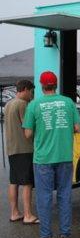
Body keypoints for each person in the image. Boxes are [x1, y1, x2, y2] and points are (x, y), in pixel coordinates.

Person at [23, 71, 80, 238]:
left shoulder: (34, 105)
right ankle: (64, 236)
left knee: (44, 198)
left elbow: (28, 133)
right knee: (64, 196)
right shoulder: (68, 102)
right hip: (64, 156)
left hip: (43, 159)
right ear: (56, 85)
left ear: (41, 85)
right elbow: (77, 128)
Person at [5, 80, 39, 224]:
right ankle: (28, 215)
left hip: (12, 148)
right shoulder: (23, 104)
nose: (32, 95)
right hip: (24, 149)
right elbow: (28, 130)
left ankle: (14, 213)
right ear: (24, 89)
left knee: (14, 182)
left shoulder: (8, 104)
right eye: (31, 91)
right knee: (27, 183)